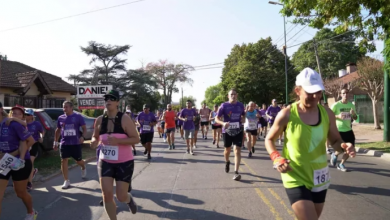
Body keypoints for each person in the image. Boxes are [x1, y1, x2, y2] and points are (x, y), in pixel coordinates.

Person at [265, 68, 356, 220]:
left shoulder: (327, 113)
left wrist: (343, 146)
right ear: (298, 91)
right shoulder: (287, 114)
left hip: (319, 176)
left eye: (319, 92)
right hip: (295, 175)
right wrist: (276, 158)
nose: (315, 96)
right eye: (310, 92)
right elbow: (269, 139)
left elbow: (335, 140)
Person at [91, 90, 138, 219]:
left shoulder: (124, 119)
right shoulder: (100, 120)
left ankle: (129, 200)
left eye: (112, 99)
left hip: (124, 162)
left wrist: (118, 141)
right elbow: (95, 137)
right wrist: (94, 142)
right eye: (106, 99)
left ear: (117, 102)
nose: (109, 101)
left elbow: (136, 139)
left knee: (121, 196)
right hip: (105, 161)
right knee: (106, 194)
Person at [0, 103, 38, 220]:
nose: (16, 115)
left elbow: (30, 141)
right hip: (4, 163)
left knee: (20, 193)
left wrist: (11, 154)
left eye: (19, 113)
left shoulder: (13, 123)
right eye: (14, 112)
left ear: (1, 110)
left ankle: (31, 212)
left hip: (20, 162)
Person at [53, 101, 87, 189]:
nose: (64, 109)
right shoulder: (61, 118)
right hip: (64, 143)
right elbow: (58, 130)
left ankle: (83, 167)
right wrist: (55, 142)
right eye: (63, 107)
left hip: (75, 143)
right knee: (63, 160)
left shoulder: (78, 116)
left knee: (78, 161)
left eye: (66, 107)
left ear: (71, 108)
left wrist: (83, 136)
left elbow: (84, 128)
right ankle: (66, 181)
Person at [215, 89, 245, 181]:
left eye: (234, 94)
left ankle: (236, 172)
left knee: (237, 150)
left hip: (238, 130)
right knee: (227, 150)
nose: (233, 96)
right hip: (227, 131)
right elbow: (216, 118)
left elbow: (244, 114)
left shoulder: (241, 105)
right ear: (228, 96)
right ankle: (227, 161)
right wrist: (223, 123)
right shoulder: (224, 105)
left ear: (237, 95)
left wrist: (243, 119)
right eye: (231, 94)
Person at [330, 88, 358, 172]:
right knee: (341, 149)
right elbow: (329, 116)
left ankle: (341, 164)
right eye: (343, 93)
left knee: (350, 148)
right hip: (339, 130)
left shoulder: (351, 105)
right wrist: (338, 116)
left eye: (347, 93)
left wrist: (353, 114)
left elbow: (355, 117)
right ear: (341, 95)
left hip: (348, 130)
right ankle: (334, 154)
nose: (345, 94)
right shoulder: (336, 105)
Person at [25, 109, 45, 190]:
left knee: (30, 162)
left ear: (31, 116)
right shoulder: (22, 123)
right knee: (27, 163)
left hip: (34, 144)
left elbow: (42, 131)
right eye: (25, 114)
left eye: (27, 114)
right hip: (25, 145)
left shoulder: (36, 124)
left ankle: (29, 183)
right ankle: (32, 172)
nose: (25, 116)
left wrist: (41, 137)